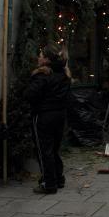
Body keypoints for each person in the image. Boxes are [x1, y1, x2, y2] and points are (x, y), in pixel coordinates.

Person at [26, 42, 71, 195]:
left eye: (40, 55)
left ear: (46, 60)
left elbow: (31, 95)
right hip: (60, 115)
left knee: (44, 150)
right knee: (54, 148)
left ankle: (49, 183)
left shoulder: (42, 76)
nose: (38, 57)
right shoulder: (64, 75)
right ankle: (58, 178)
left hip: (43, 116)